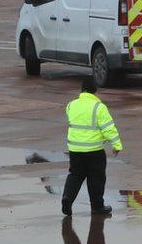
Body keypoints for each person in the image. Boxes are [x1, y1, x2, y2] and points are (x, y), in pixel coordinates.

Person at [62, 78, 122, 216]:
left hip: (75, 149)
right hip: (94, 150)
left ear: (82, 90)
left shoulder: (71, 105)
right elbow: (108, 128)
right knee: (96, 178)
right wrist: (116, 145)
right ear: (95, 90)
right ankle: (97, 207)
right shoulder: (98, 107)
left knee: (75, 175)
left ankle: (67, 198)